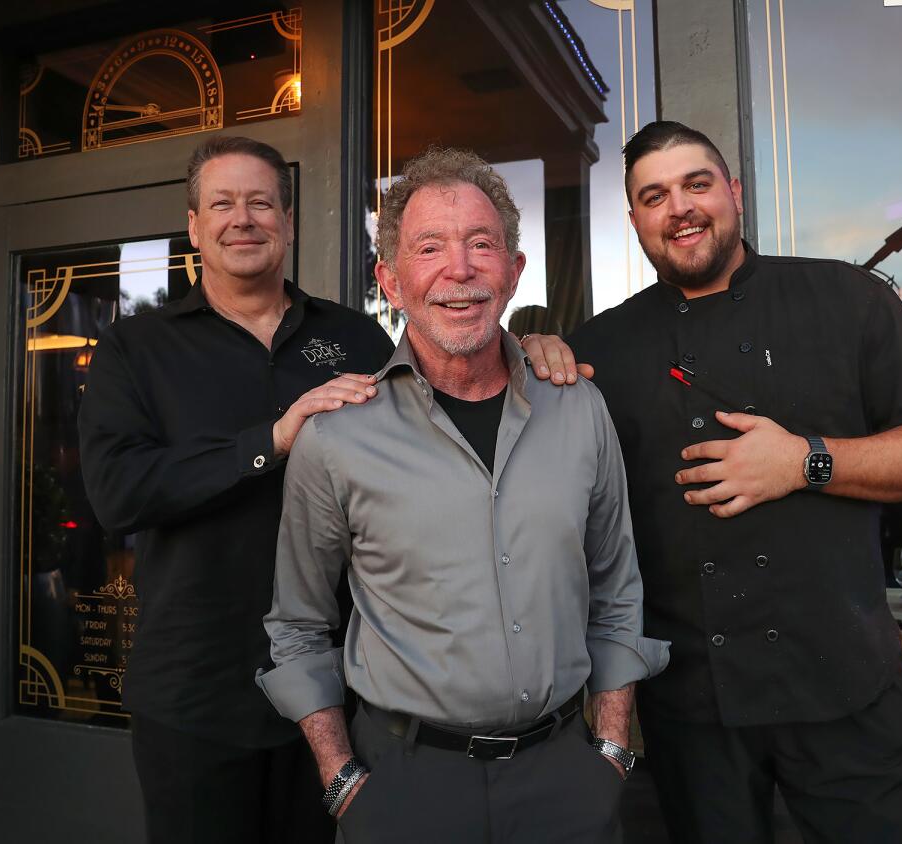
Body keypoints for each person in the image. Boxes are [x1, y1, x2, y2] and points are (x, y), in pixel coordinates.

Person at [78, 135, 580, 844]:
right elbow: (118, 495)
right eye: (221, 203)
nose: (242, 218)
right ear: (194, 226)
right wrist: (271, 440)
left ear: (288, 220)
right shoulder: (137, 347)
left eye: (261, 202)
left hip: (339, 694)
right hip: (197, 693)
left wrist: (531, 349)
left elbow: (454, 379)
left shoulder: (352, 336)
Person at [569, 121, 902, 843]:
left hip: (846, 695)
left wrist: (805, 462)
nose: (680, 208)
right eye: (654, 196)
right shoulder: (600, 347)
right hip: (695, 715)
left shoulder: (848, 300)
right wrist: (531, 349)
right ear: (635, 221)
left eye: (697, 184)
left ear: (735, 192)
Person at [256, 147, 668, 844]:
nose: (461, 269)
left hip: (567, 780)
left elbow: (617, 592)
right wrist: (342, 781)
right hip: (405, 787)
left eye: (483, 244)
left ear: (513, 273)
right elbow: (297, 628)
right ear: (390, 280)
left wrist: (611, 752)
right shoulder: (336, 437)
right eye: (429, 247)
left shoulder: (578, 408)